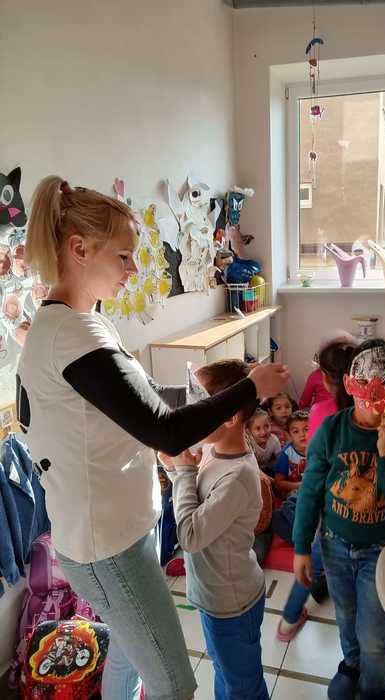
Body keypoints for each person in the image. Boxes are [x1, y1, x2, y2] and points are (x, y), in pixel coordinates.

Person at [17, 176, 289, 700]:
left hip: (111, 532)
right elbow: (162, 428)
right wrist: (250, 387)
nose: (134, 269)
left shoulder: (78, 324)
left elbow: (132, 404)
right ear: (79, 249)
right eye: (123, 257)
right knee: (173, 682)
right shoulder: (71, 335)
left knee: (129, 653)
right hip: (107, 546)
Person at [293, 340, 385, 700]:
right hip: (334, 544)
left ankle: (372, 686)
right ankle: (351, 664)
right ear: (349, 385)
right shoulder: (331, 430)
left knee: (374, 632)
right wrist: (302, 546)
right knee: (346, 615)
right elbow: (310, 489)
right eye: (364, 386)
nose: (372, 399)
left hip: (380, 550)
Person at [160, 359, 269, 700]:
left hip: (232, 605)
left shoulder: (238, 476)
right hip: (216, 596)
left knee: (243, 688)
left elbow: (190, 536)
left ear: (230, 417)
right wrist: (176, 468)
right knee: (226, 673)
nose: (189, 415)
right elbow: (195, 497)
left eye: (199, 407)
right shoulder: (211, 449)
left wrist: (183, 474)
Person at [277, 336, 356, 643]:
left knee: (317, 554)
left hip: (329, 502)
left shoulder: (320, 411)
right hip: (362, 503)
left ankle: (289, 619)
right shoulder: (370, 412)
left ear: (323, 377)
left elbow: (315, 470)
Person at [274, 410, 309, 497]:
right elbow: (278, 483)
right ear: (289, 435)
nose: (302, 434)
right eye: (296, 431)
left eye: (306, 429)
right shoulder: (286, 453)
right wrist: (300, 485)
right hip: (295, 491)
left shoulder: (318, 448)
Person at [246, 407, 281, 476]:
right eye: (258, 428)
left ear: (271, 425)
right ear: (249, 431)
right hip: (255, 470)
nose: (263, 432)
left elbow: (280, 458)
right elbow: (251, 466)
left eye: (266, 426)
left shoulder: (274, 440)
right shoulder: (249, 444)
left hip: (269, 468)